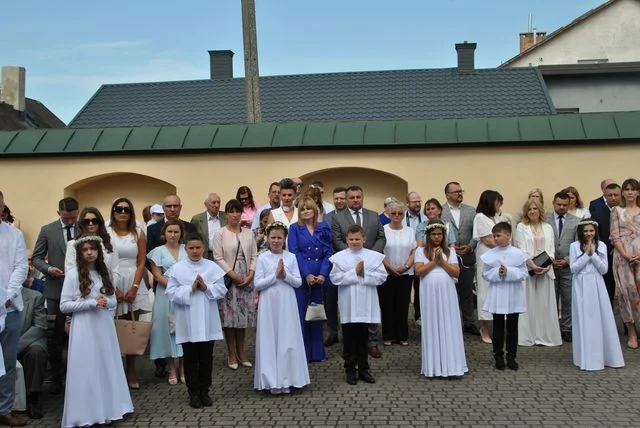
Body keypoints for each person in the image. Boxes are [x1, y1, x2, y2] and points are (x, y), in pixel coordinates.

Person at [60, 235, 133, 427]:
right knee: (87, 365)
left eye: (92, 248)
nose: (89, 252)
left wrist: (104, 302)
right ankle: (87, 412)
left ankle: (111, 408)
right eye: (85, 250)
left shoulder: (103, 273)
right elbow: (64, 305)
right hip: (84, 327)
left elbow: (113, 301)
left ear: (98, 251)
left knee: (106, 363)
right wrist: (91, 303)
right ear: (79, 253)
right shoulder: (73, 275)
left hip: (103, 326)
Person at [165, 232, 227, 408]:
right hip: (187, 318)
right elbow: (170, 292)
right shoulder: (178, 268)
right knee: (190, 357)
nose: (195, 251)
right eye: (191, 248)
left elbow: (222, 290)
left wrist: (206, 287)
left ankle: (205, 390)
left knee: (206, 357)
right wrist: (190, 289)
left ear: (204, 248)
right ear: (186, 249)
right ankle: (193, 392)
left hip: (207, 317)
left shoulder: (212, 267)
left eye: (198, 247)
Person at [253, 221, 310, 394]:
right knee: (270, 338)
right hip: (269, 304)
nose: (276, 241)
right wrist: (274, 276)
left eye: (279, 237)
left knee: (287, 337)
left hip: (287, 302)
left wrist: (284, 275)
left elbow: (298, 281)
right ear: (267, 239)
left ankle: (288, 378)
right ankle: (271, 381)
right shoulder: (262, 258)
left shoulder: (290, 257)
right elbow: (258, 284)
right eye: (273, 238)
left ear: (285, 238)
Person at [332, 185, 386, 359]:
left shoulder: (373, 215)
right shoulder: (338, 218)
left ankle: (371, 342)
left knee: (369, 306)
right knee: (349, 309)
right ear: (347, 199)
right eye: (352, 197)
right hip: (348, 264)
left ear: (362, 197)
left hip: (369, 266)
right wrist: (352, 258)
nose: (355, 200)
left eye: (358, 197)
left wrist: (370, 257)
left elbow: (380, 237)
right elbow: (337, 239)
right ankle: (349, 345)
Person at [31, 196, 78, 395]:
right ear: (59, 213)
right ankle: (57, 377)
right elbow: (36, 257)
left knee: (80, 334)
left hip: (80, 290)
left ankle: (79, 376)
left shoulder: (84, 228)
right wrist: (49, 269)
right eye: (66, 218)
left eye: (72, 218)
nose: (69, 222)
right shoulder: (47, 230)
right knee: (55, 336)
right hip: (55, 291)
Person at [329, 225, 387, 385]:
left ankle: (364, 369)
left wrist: (364, 274)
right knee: (349, 339)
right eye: (351, 239)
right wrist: (354, 272)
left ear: (364, 239)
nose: (354, 242)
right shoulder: (339, 257)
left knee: (363, 338)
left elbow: (382, 277)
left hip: (365, 303)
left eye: (357, 239)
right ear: (347, 239)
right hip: (348, 304)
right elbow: (335, 278)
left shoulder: (373, 257)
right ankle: (350, 369)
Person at [108, 197, 150, 389]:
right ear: (113, 211)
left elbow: (141, 261)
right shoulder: (106, 233)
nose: (122, 212)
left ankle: (131, 371)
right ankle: (114, 372)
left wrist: (134, 287)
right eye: (118, 209)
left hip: (134, 280)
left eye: (126, 209)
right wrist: (112, 287)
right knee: (114, 329)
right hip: (112, 280)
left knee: (131, 328)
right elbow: (103, 262)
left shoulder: (138, 232)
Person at [415, 221, 467, 378]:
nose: (436, 237)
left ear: (443, 235)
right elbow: (419, 271)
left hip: (447, 293)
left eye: (439, 234)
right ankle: (434, 367)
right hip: (429, 292)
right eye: (433, 234)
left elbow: (456, 273)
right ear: (428, 235)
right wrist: (434, 262)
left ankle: (452, 365)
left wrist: (442, 261)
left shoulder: (450, 251)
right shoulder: (420, 251)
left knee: (448, 323)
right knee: (432, 323)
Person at [570, 220, 624, 371]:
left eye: (591, 231)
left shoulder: (602, 246)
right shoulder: (574, 246)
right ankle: (585, 357)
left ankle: (604, 355)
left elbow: (604, 269)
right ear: (581, 232)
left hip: (597, 284)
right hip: (580, 285)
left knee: (599, 317)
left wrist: (593, 254)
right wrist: (586, 255)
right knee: (584, 318)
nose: (588, 234)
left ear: (596, 232)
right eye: (585, 231)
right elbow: (574, 268)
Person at [213, 199, 257, 369]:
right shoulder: (220, 233)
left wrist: (251, 274)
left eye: (238, 211)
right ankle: (231, 352)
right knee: (229, 318)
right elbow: (218, 257)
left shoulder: (248, 233)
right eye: (232, 211)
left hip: (246, 277)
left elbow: (254, 255)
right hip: (229, 278)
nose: (235, 215)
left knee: (242, 318)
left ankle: (241, 351)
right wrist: (233, 275)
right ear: (227, 214)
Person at [288, 197, 333, 362]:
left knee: (316, 314)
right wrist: (306, 274)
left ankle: (317, 352)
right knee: (302, 314)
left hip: (320, 278)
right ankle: (303, 353)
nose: (306, 211)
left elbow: (328, 253)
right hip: (302, 277)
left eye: (309, 209)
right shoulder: (294, 229)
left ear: (315, 211)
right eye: (303, 209)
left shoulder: (324, 227)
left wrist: (322, 274)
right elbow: (294, 253)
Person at [481, 222, 528, 371]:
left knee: (513, 326)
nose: (495, 238)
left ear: (508, 235)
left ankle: (511, 356)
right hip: (498, 292)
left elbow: (524, 273)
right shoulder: (490, 254)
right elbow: (485, 274)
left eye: (498, 235)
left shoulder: (517, 253)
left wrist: (509, 272)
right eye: (494, 236)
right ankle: (498, 356)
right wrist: (498, 273)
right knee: (498, 326)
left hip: (513, 292)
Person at [515, 198, 562, 347]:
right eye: (529, 209)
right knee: (528, 302)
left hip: (546, 269)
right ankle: (528, 336)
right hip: (528, 269)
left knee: (544, 303)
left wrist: (548, 265)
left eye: (535, 208)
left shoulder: (547, 227)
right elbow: (520, 248)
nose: (532, 211)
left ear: (539, 210)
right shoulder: (521, 227)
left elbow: (551, 248)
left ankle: (545, 336)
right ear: (526, 212)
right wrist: (532, 265)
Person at [0, 191, 29, 428]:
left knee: (8, 361)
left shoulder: (14, 235)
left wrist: (7, 296)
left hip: (9, 307)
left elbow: (21, 266)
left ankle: (5, 408)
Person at [147, 220, 187, 385]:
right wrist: (173, 287)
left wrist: (184, 288)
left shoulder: (187, 249)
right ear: (165, 233)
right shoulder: (158, 251)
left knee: (184, 329)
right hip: (166, 294)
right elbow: (157, 274)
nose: (173, 234)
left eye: (176, 232)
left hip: (185, 293)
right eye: (170, 231)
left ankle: (184, 368)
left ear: (181, 234)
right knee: (166, 330)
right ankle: (171, 367)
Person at [440, 182, 480, 337]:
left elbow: (476, 233)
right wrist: (448, 248)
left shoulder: (472, 211)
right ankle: (451, 321)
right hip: (448, 257)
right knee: (449, 291)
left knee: (467, 291)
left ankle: (468, 322)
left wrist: (470, 246)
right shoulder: (440, 211)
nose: (459, 193)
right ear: (447, 194)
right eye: (455, 191)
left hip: (467, 255)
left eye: (460, 190)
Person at [473, 190, 510, 344]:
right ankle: (485, 328)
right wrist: (504, 243)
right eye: (498, 202)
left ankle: (499, 328)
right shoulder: (480, 217)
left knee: (500, 291)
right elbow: (488, 240)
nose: (500, 205)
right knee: (485, 292)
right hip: (487, 258)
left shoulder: (500, 217)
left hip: (501, 257)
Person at [380, 201, 416, 346]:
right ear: (388, 213)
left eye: (400, 213)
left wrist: (406, 266)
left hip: (406, 273)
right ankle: (388, 335)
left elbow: (414, 251)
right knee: (387, 305)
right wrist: (390, 267)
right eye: (393, 213)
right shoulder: (382, 230)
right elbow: (380, 252)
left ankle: (402, 335)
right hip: (386, 272)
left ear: (403, 214)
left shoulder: (409, 231)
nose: (396, 216)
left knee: (402, 305)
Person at [610, 178, 640, 349]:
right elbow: (615, 235)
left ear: (638, 192)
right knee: (626, 293)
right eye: (626, 189)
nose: (629, 192)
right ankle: (631, 333)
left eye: (633, 189)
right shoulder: (616, 210)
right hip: (623, 258)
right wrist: (626, 254)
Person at [547, 191, 580, 343]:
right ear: (554, 203)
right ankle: (552, 328)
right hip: (550, 265)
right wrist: (550, 260)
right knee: (551, 298)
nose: (561, 207)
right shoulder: (545, 219)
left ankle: (567, 328)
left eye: (565, 205)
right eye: (559, 204)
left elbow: (578, 244)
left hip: (568, 266)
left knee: (568, 299)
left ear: (569, 204)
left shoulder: (576, 221)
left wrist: (567, 260)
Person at [589, 183, 622, 307]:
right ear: (605, 196)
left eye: (616, 195)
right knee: (608, 293)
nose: (613, 198)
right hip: (607, 257)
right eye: (610, 195)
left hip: (626, 256)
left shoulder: (626, 212)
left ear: (620, 195)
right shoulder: (597, 213)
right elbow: (595, 236)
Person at [18, 284, 48, 419]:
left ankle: (33, 399)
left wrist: (14, 347)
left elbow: (39, 326)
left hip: (27, 340)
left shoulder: (35, 296)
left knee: (36, 353)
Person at [323, 186, 347, 346]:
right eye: (336, 198)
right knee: (330, 301)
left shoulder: (351, 217)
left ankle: (348, 332)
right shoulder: (327, 218)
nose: (339, 201)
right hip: (331, 264)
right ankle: (333, 332)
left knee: (346, 300)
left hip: (348, 265)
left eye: (341, 198)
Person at [65, 207, 118, 279]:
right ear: (81, 223)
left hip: (107, 285)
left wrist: (112, 286)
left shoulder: (109, 242)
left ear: (100, 222)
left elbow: (115, 269)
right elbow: (70, 270)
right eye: (86, 221)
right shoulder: (73, 244)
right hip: (82, 285)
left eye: (94, 220)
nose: (90, 223)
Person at [190, 193, 228, 261]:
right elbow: (192, 238)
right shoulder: (197, 219)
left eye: (218, 202)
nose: (217, 205)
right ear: (206, 204)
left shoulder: (226, 217)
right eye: (213, 202)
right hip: (205, 256)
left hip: (224, 256)